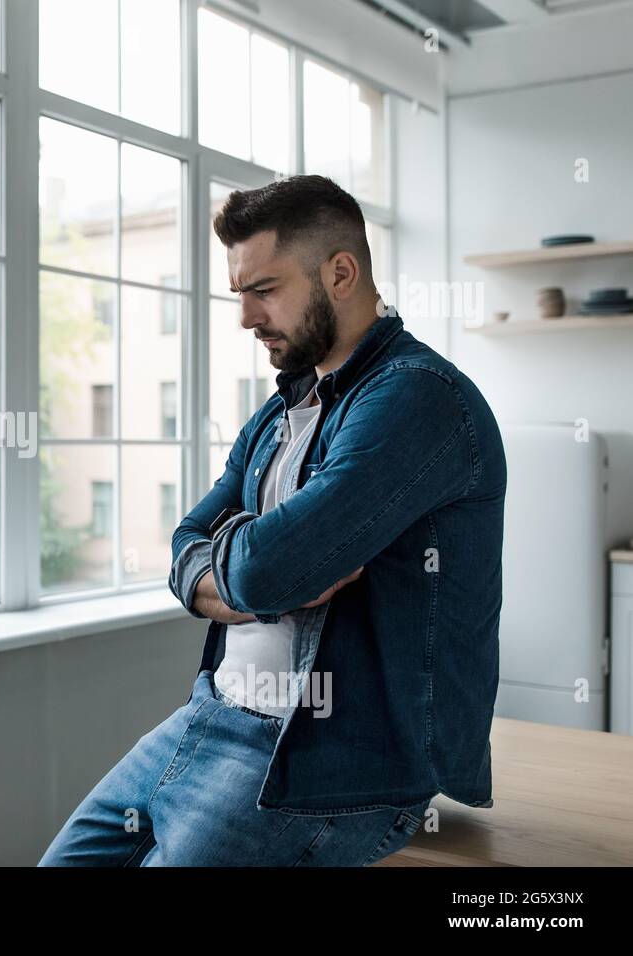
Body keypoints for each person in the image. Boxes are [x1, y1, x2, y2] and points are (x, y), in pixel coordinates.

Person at [38, 174, 506, 866]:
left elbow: (263, 566)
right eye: (240, 294)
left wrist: (242, 568)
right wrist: (246, 574)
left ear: (341, 273)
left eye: (265, 290)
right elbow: (190, 548)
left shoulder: (419, 400)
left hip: (329, 767)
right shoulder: (280, 411)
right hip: (206, 718)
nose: (246, 317)